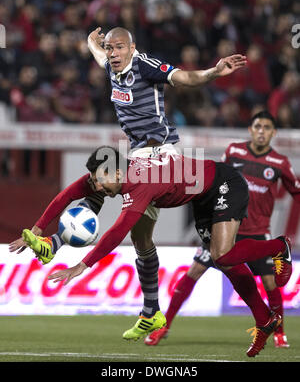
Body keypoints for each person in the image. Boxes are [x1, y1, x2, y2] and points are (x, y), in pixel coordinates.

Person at [10, 26, 247, 322]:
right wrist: (90, 42)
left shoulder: (146, 66)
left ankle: (56, 243)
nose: (113, 54)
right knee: (135, 233)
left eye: (119, 47)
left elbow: (185, 78)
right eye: (110, 49)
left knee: (108, 196)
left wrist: (213, 72)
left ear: (132, 47)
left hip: (161, 154)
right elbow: (98, 54)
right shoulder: (112, 65)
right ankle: (150, 312)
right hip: (137, 154)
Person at [23, 145, 293, 357]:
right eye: (94, 182)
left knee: (223, 255)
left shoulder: (140, 183)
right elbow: (68, 193)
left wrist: (83, 265)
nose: (98, 188)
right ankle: (264, 319)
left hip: (224, 184)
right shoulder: (114, 171)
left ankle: (280, 246)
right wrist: (37, 228)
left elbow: (118, 231)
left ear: (116, 173)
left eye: (100, 182)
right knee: (225, 262)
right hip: (202, 197)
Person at [145, 110, 300, 349]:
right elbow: (219, 183)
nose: (261, 131)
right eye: (257, 126)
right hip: (225, 228)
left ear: (273, 133)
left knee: (270, 283)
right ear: (250, 130)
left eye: (266, 128)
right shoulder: (235, 151)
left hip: (258, 231)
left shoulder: (279, 162)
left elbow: (296, 193)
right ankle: (164, 326)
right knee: (193, 272)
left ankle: (279, 332)